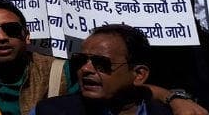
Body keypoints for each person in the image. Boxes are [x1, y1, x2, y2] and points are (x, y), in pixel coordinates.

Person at [33, 24, 171, 115]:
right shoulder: (48, 111)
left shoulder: (169, 112)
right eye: (81, 60)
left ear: (139, 75)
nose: (85, 69)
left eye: (101, 63)